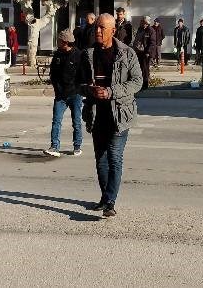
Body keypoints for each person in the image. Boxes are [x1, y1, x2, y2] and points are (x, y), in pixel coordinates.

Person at [79, 13, 143, 218]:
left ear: (113, 31)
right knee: (101, 160)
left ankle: (110, 202)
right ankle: (105, 197)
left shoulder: (127, 53)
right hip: (96, 115)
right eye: (96, 27)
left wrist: (110, 92)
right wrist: (89, 90)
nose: (97, 31)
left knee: (115, 158)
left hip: (120, 115)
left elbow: (137, 82)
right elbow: (79, 84)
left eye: (102, 28)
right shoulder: (88, 54)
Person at [44, 29, 83, 157]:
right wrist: (57, 88)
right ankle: (54, 146)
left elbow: (82, 75)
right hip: (60, 95)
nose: (57, 42)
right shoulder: (58, 54)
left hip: (75, 94)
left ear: (65, 42)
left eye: (59, 40)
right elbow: (53, 73)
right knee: (56, 121)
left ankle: (77, 146)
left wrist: (78, 89)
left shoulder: (78, 55)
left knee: (76, 121)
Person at [132, 16, 154, 90]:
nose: (143, 24)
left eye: (145, 23)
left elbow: (152, 43)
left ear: (147, 23)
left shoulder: (150, 30)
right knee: (139, 69)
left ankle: (145, 84)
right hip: (138, 52)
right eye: (142, 22)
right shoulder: (140, 29)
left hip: (145, 53)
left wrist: (148, 52)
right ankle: (139, 84)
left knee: (145, 69)